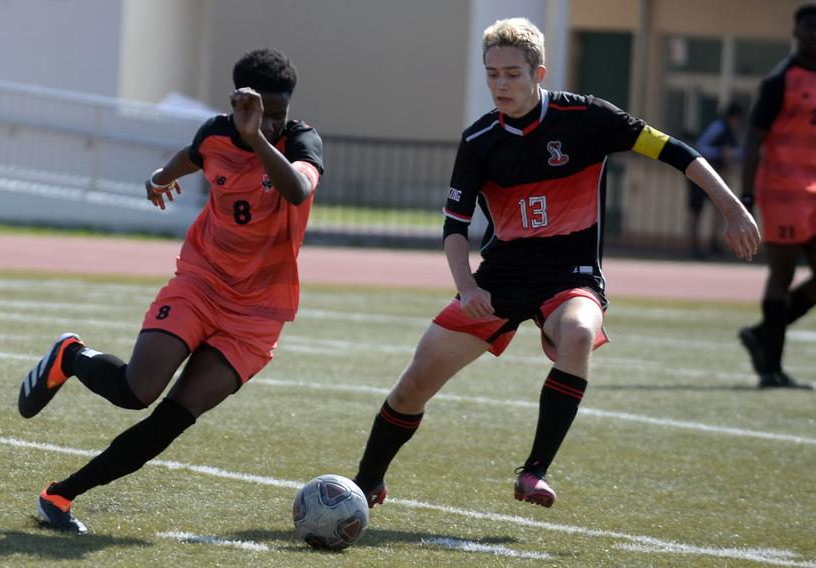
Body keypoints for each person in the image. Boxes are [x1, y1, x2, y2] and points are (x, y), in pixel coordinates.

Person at [350, 18, 760, 510]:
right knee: (416, 382)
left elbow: (674, 151)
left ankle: (534, 472)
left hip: (572, 276)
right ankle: (365, 481)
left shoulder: (587, 117)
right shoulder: (480, 140)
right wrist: (466, 288)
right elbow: (454, 228)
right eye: (492, 74)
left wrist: (733, 208)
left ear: (538, 72)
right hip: (500, 279)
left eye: (512, 74)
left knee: (579, 333)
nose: (500, 85)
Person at [17, 47, 324, 533]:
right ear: (238, 102)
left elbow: (298, 191)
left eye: (277, 115)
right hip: (201, 283)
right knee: (137, 392)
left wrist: (259, 138)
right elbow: (194, 156)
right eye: (261, 115)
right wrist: (159, 177)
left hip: (258, 314)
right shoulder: (216, 134)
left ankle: (59, 495)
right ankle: (70, 357)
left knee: (173, 420)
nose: (271, 126)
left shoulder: (301, 140)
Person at [738, 4, 816, 390]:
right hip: (783, 189)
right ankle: (772, 367)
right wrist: (746, 195)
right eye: (808, 29)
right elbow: (753, 139)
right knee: (782, 275)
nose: (814, 35)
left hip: (815, 188)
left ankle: (761, 334)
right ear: (796, 33)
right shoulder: (779, 81)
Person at [686, 102, 745, 258]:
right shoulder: (718, 127)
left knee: (719, 208)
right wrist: (719, 152)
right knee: (696, 210)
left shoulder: (732, 131)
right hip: (699, 174)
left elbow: (734, 152)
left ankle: (714, 242)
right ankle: (694, 245)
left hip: (716, 175)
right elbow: (699, 146)